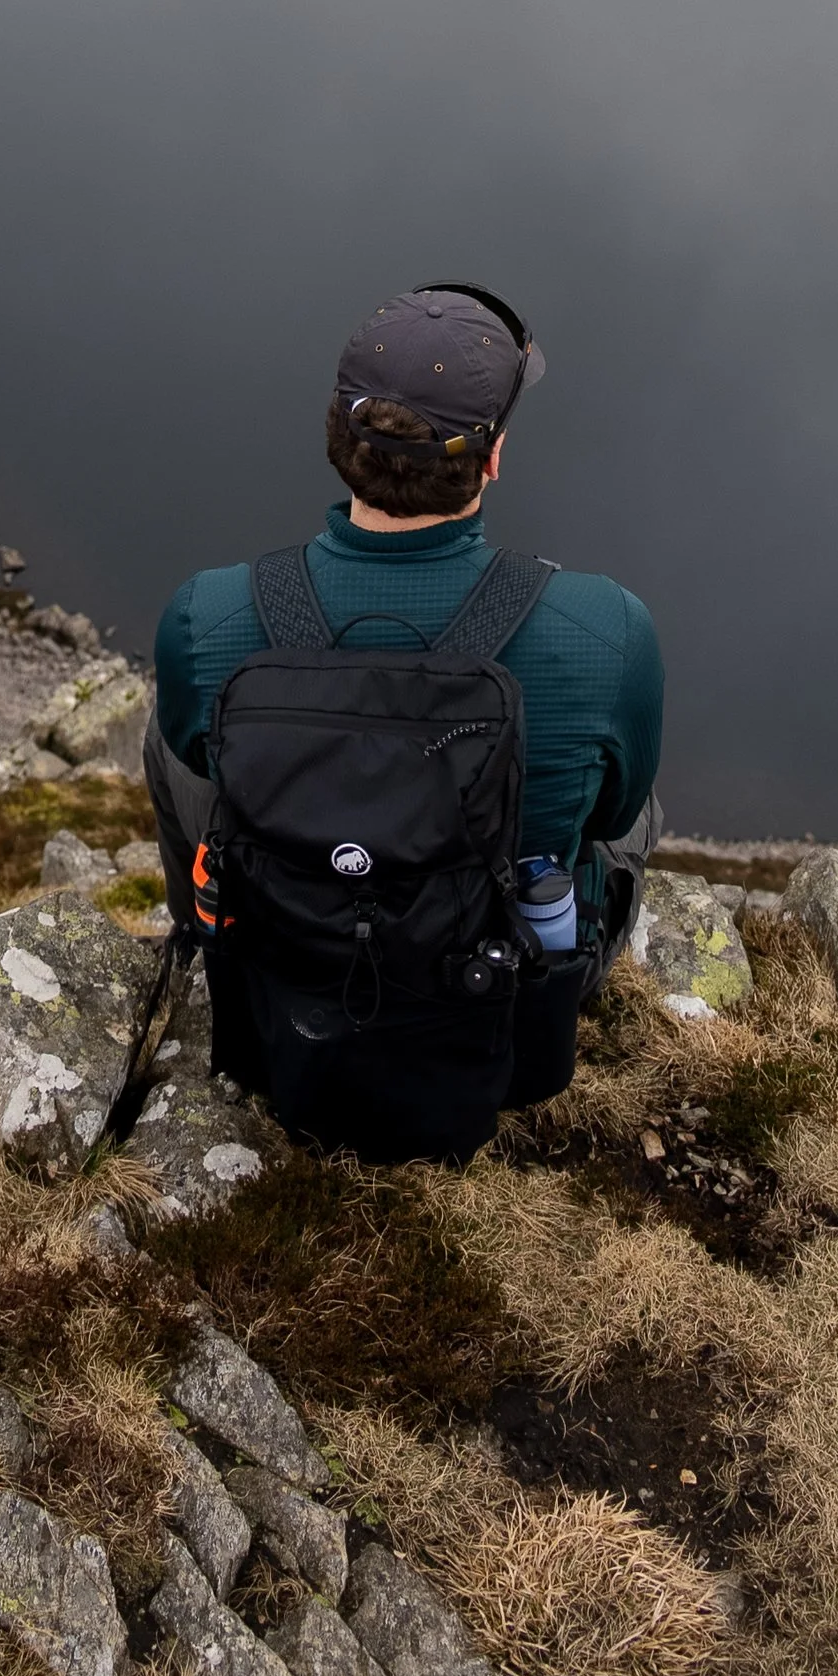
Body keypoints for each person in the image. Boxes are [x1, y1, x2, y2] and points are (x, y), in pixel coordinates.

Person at [147, 282, 664, 1165]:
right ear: (492, 455)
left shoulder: (209, 615)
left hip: (291, 992)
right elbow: (613, 820)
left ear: (337, 438)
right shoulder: (607, 628)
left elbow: (201, 750)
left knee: (171, 740)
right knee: (639, 808)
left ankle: (215, 926)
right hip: (488, 1011)